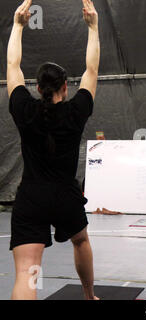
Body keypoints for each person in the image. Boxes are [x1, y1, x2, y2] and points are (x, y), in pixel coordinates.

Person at [7, 0, 101, 300]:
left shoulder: (24, 109)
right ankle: (89, 296)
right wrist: (93, 28)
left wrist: (18, 26)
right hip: (65, 197)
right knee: (80, 241)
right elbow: (92, 68)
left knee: (28, 272)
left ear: (38, 89)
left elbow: (12, 65)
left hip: (30, 198)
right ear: (65, 88)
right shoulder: (76, 111)